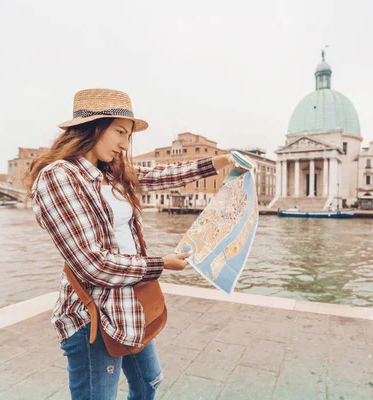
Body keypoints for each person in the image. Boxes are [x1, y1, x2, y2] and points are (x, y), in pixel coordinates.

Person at [25, 88, 248, 400]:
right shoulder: (58, 177)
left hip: (130, 304)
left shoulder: (110, 173)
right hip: (93, 315)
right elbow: (94, 264)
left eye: (128, 136)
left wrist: (221, 161)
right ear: (92, 128)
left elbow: (163, 175)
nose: (124, 145)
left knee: (149, 384)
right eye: (119, 132)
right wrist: (161, 264)